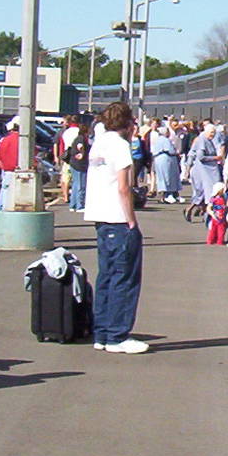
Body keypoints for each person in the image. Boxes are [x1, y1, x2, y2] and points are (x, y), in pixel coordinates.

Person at [84, 101, 147, 354]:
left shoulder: (99, 143)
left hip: (100, 218)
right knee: (125, 277)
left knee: (107, 276)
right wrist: (131, 219)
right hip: (118, 219)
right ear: (128, 122)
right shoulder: (120, 146)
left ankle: (102, 333)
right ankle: (118, 336)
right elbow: (124, 186)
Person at [186, 121, 222, 219]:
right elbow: (201, 157)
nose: (213, 135)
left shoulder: (209, 140)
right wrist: (215, 158)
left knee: (207, 193)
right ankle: (206, 214)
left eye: (214, 133)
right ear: (206, 132)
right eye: (211, 132)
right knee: (206, 192)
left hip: (210, 171)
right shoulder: (202, 140)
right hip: (203, 171)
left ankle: (204, 213)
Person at [151, 125, 180, 203]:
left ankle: (164, 195)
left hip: (158, 159)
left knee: (161, 178)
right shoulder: (166, 140)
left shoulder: (158, 140)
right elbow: (170, 150)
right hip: (166, 159)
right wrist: (176, 152)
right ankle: (168, 195)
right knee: (168, 177)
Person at [0, 122, 20, 210]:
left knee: (5, 191)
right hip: (19, 170)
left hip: (6, 169)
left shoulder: (4, 140)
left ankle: (1, 208)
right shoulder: (22, 140)